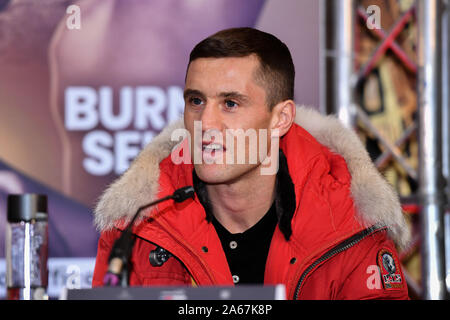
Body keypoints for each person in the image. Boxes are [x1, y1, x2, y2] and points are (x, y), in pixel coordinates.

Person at [92, 27, 410, 299]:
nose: (206, 123)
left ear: (280, 118)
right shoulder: (138, 220)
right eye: (196, 101)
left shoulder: (349, 222)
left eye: (230, 103)